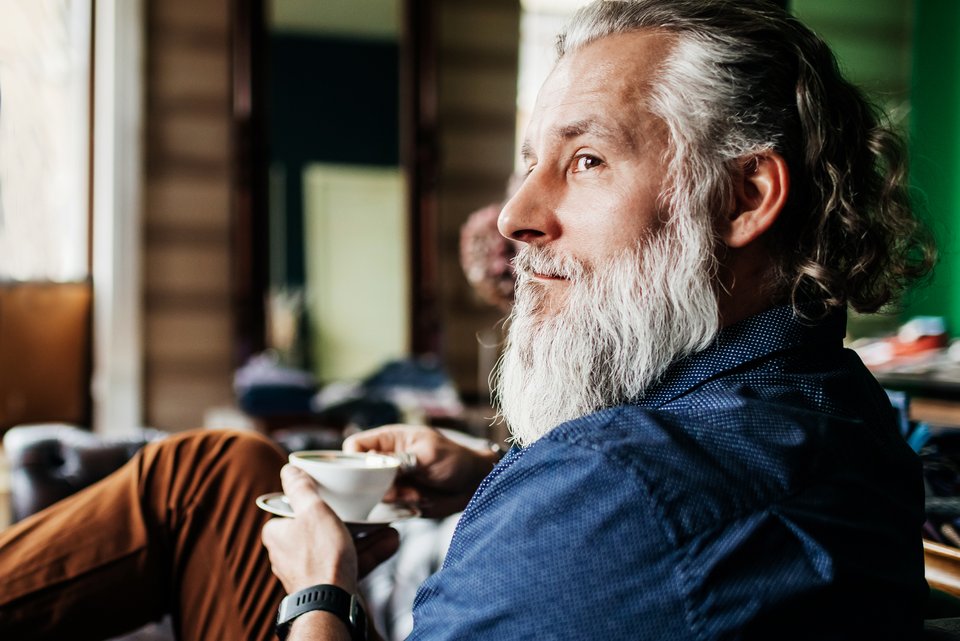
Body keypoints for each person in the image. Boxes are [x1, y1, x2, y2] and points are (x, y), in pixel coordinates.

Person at [0, 0, 939, 639]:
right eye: (529, 160)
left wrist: (320, 591)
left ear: (743, 198)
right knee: (219, 472)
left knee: (200, 477)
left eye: (584, 162)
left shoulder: (611, 494)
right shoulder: (840, 407)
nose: (517, 215)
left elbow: (638, 517)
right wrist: (494, 473)